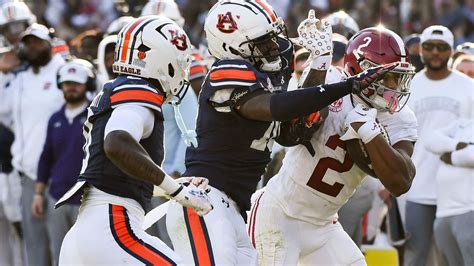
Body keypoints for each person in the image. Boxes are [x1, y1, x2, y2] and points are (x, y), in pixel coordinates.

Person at [166, 1, 396, 264]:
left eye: (274, 36)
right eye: (264, 41)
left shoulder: (267, 70)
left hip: (235, 207)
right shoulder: (227, 71)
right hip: (206, 198)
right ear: (234, 46)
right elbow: (278, 107)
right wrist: (345, 86)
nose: (275, 46)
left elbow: (293, 132)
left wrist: (319, 65)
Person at [250, 26, 418, 265]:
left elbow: (400, 182)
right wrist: (318, 67)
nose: (396, 87)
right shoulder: (330, 79)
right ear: (361, 69)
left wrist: (369, 133)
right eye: (390, 77)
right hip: (281, 214)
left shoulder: (401, 118)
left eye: (400, 77)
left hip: (323, 224)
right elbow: (288, 134)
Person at [57, 16, 212, 265]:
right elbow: (117, 143)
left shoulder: (116, 89)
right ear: (162, 58)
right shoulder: (140, 91)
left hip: (84, 234)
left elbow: (121, 171)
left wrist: (173, 186)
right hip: (113, 228)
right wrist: (179, 192)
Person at [404, 25, 474, 266]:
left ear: (451, 51)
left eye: (442, 47)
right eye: (429, 47)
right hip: (417, 185)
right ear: (420, 50)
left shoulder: (468, 87)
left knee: (453, 259)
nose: (435, 52)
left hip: (460, 191)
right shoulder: (408, 86)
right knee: (415, 255)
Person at [0, 23, 65, 266]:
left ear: (50, 43)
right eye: (28, 43)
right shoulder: (21, 78)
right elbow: (4, 112)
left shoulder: (63, 72)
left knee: (60, 243)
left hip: (59, 173)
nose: (33, 47)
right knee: (34, 245)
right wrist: (3, 73)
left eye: (38, 41)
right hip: (27, 172)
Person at [31, 59, 95, 265]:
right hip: (57, 196)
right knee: (60, 253)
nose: (72, 87)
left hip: (88, 198)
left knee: (88, 255)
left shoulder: (96, 116)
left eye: (76, 82)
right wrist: (39, 193)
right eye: (67, 83)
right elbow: (46, 157)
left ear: (87, 84)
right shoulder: (54, 118)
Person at [424, 118, 474, 266]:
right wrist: (458, 145)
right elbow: (430, 140)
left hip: (469, 211)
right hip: (444, 213)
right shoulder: (463, 123)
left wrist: (450, 156)